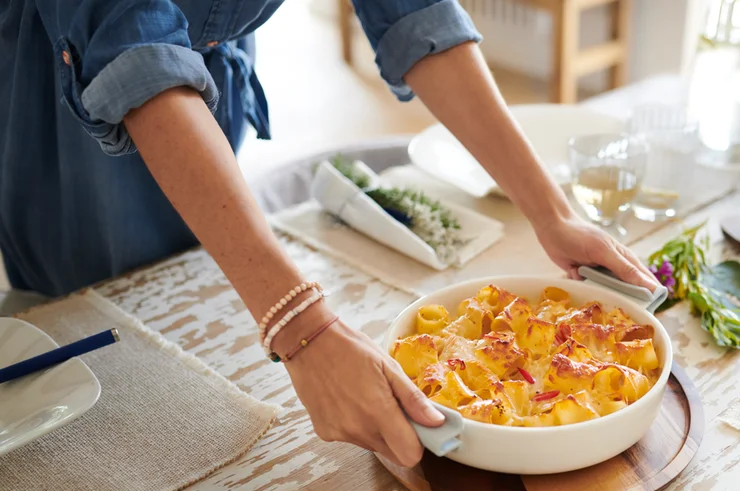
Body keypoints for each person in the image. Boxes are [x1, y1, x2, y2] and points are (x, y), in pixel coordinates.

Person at [0, 0, 659, 467]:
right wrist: (300, 325)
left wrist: (552, 212)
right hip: (68, 102)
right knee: (94, 364)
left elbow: (414, 11)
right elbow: (132, 47)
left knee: (201, 314)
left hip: (203, 83)